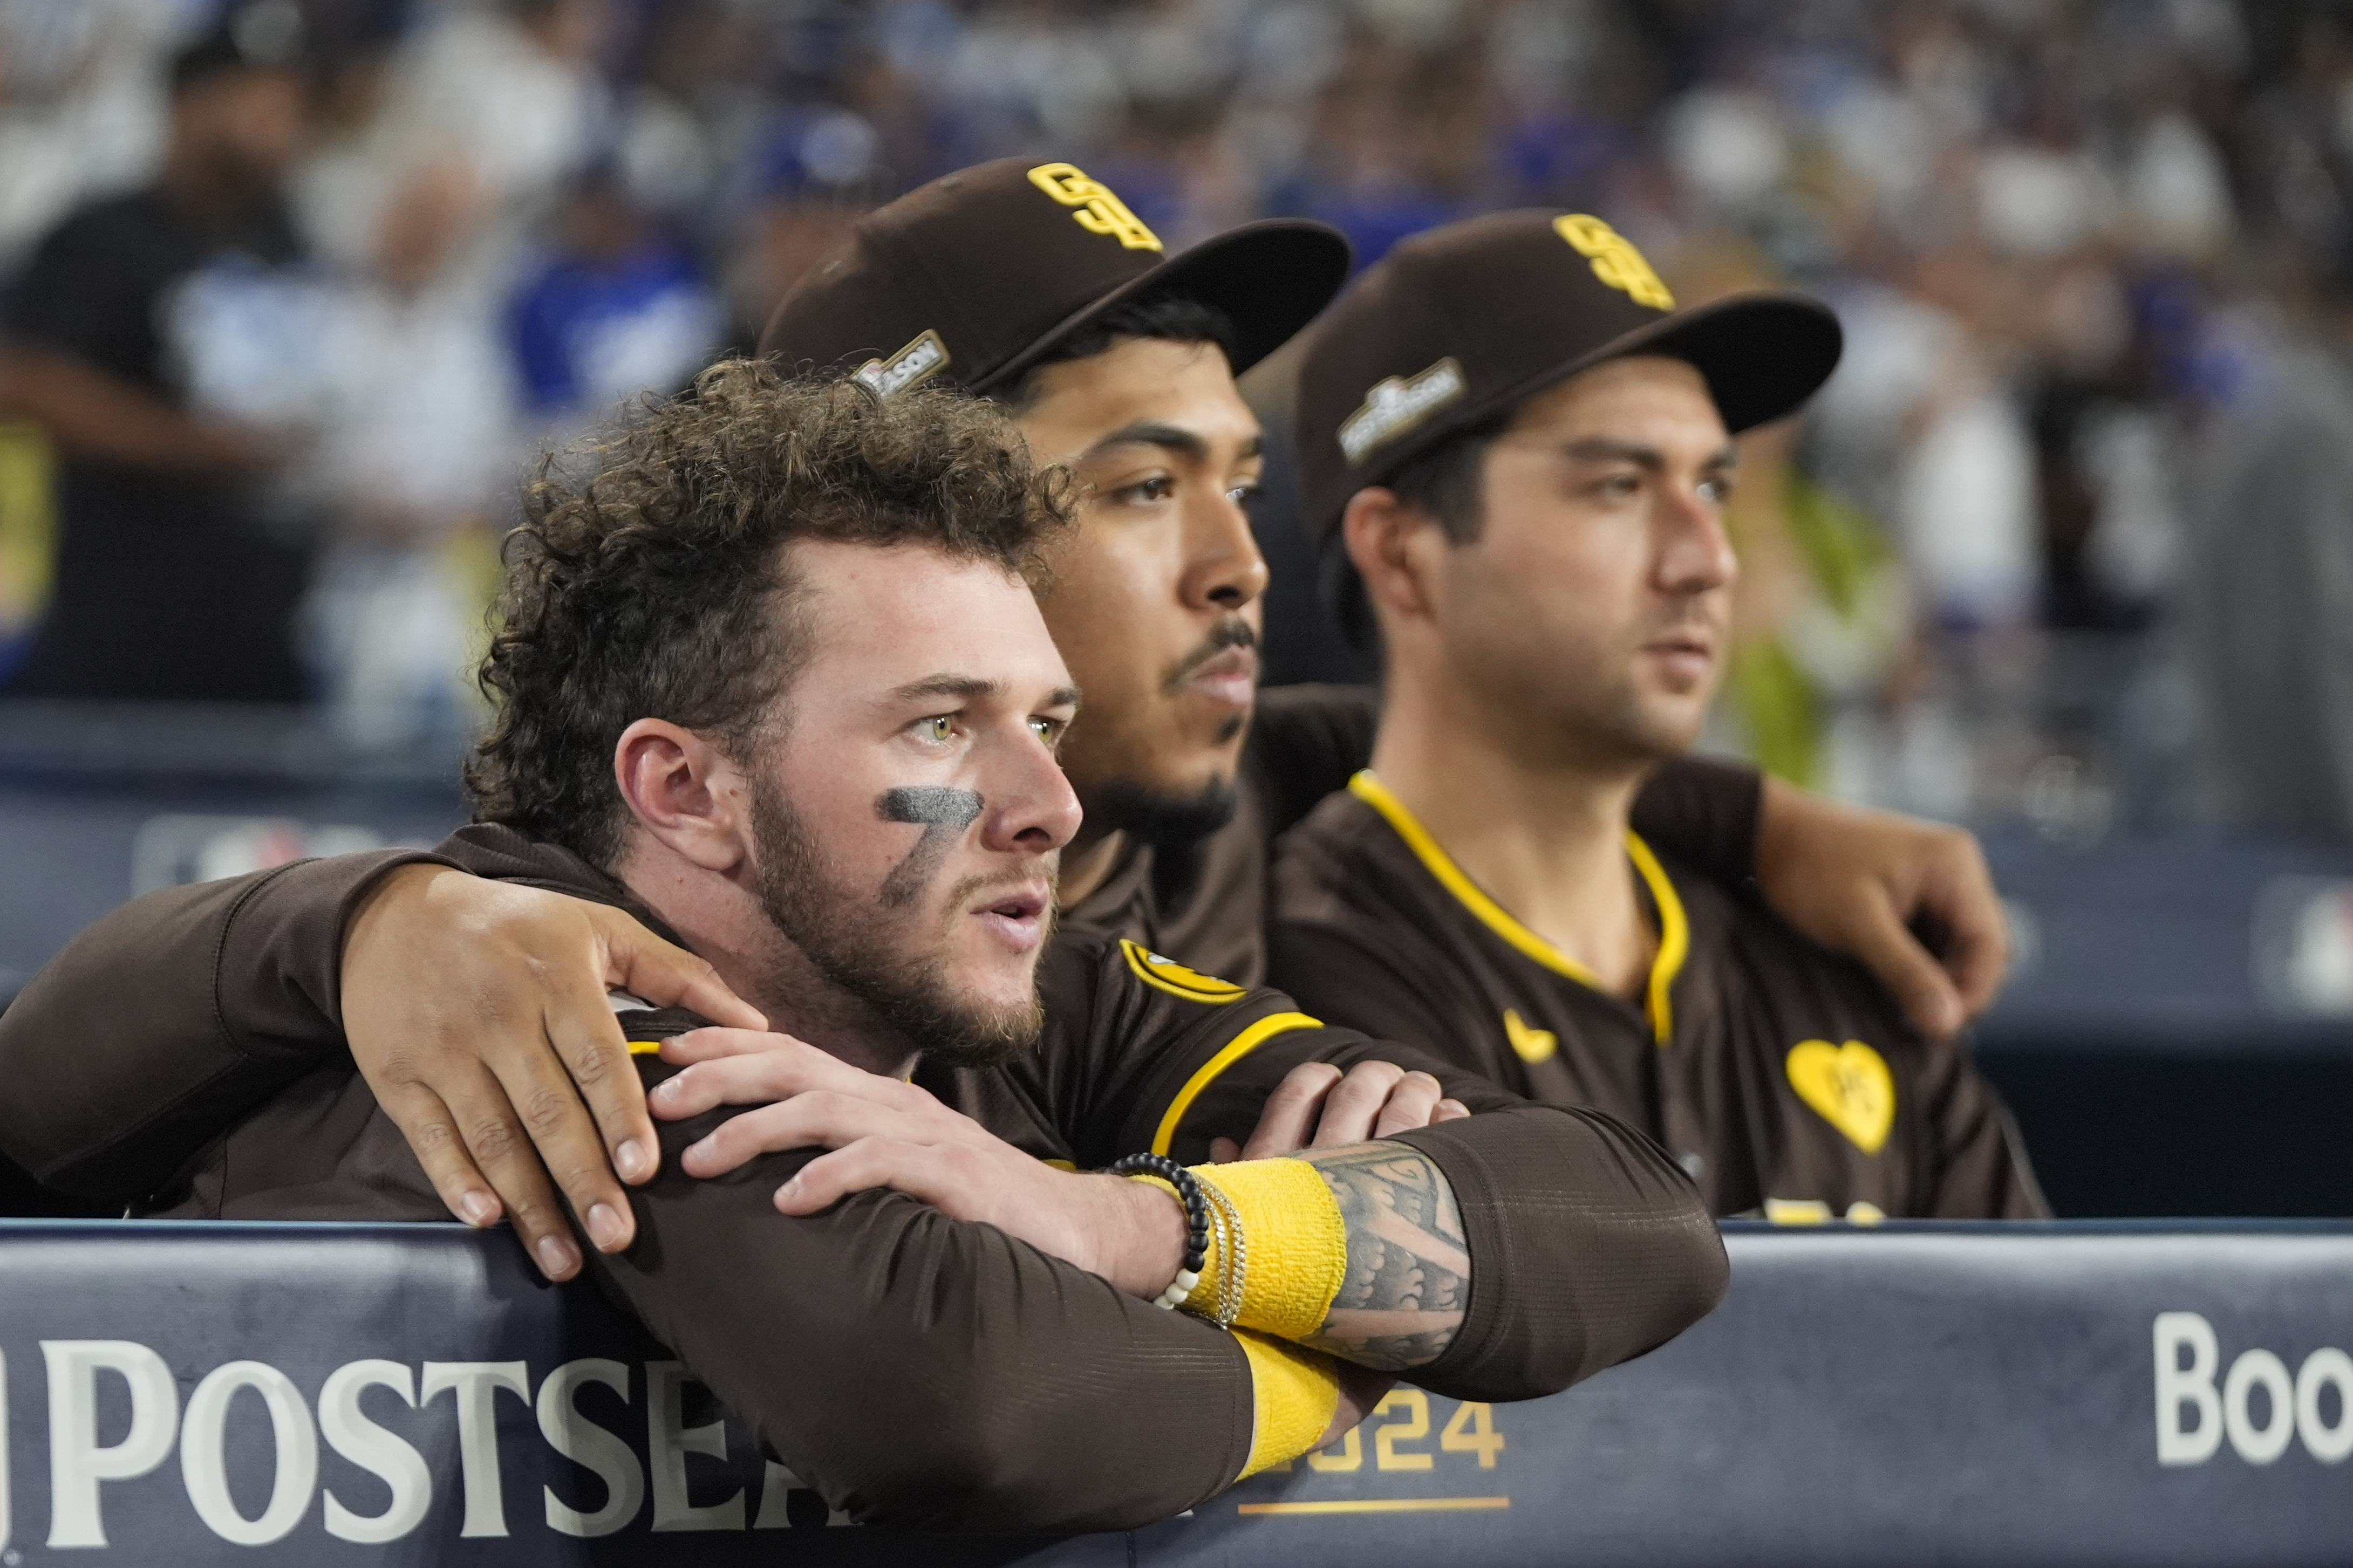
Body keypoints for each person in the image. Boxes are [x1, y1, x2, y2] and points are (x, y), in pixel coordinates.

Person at [0, 159, 2008, 1273]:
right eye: (1137, 487)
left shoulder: (1232, 824)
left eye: (1239, 474)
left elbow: (1424, 771)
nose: (1240, 558)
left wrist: (1750, 823)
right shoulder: (671, 950)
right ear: (901, 530)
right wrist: (359, 923)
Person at [0, 365, 1727, 1530]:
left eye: (1043, 717)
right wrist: (1339, 1341)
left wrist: (1128, 1222)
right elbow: (973, 1403)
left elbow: (1632, 1219)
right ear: (686, 787)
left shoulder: (1005, 991)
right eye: (939, 726)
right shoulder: (543, 1011)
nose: (1047, 798)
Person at [1267, 211, 2044, 1221]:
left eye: (1712, 486)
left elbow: (2050, 1367)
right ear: (1403, 554)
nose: (1708, 558)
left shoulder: (1841, 956)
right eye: (1619, 486)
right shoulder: (1273, 987)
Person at [0, 2, 315, 701]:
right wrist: (194, 446)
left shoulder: (288, 237)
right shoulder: (105, 234)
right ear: (190, 104)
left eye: (289, 99)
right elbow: (26, 381)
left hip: (261, 630)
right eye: (254, 96)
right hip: (124, 617)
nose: (278, 119)